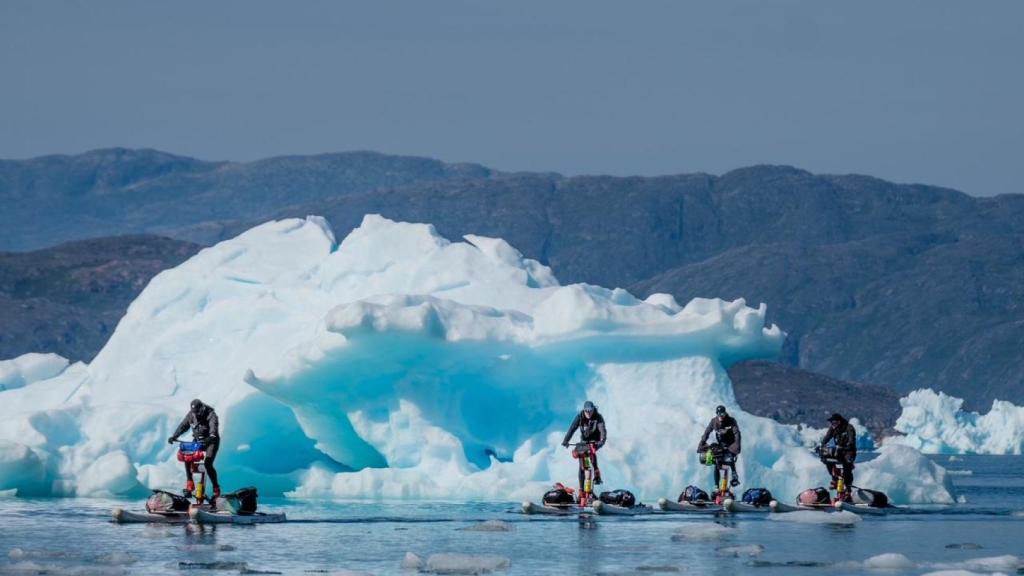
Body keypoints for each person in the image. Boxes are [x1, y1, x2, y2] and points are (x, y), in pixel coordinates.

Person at [168, 399, 221, 499]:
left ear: (202, 408)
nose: (195, 414)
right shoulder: (191, 414)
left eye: (197, 411)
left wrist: (212, 436)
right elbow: (183, 425)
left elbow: (213, 426)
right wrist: (174, 436)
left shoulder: (211, 414)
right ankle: (190, 483)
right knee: (187, 456)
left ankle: (216, 488)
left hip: (211, 441)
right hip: (197, 440)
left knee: (208, 463)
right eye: (194, 412)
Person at [561, 401, 607, 492]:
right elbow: (572, 429)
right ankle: (582, 491)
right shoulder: (580, 417)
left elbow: (602, 430)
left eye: (590, 410)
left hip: (596, 442)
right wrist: (566, 441)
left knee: (590, 453)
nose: (588, 413)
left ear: (594, 409)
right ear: (584, 410)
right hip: (584, 442)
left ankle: (596, 475)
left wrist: (602, 441)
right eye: (586, 410)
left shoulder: (598, 417)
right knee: (582, 465)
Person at [697, 405, 742, 488]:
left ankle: (734, 475)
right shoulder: (714, 421)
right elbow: (707, 433)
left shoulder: (731, 421)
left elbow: (737, 434)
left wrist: (737, 446)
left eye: (722, 414)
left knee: (730, 459)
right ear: (716, 414)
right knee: (717, 460)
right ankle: (716, 487)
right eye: (719, 414)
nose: (721, 416)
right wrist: (701, 444)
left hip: (731, 445)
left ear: (725, 413)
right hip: (721, 445)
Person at [820, 412, 857, 497]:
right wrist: (822, 445)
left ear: (839, 422)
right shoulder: (833, 428)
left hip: (849, 451)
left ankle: (848, 489)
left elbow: (852, 438)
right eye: (831, 423)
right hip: (839, 450)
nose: (832, 424)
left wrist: (849, 445)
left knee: (847, 467)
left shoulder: (849, 427)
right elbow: (827, 437)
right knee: (827, 459)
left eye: (833, 422)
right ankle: (835, 480)